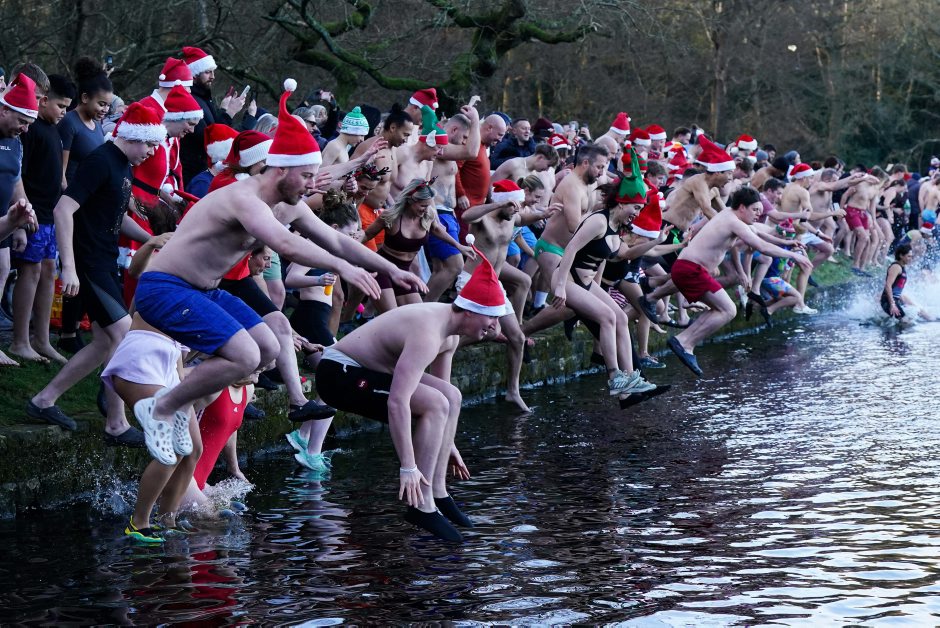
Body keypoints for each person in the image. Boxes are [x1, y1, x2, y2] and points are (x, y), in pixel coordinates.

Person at [131, 79, 427, 437]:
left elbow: (336, 239)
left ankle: (182, 401)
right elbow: (286, 245)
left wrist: (392, 270)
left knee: (270, 346)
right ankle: (161, 408)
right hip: (166, 287)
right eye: (307, 176)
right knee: (245, 355)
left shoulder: (288, 202)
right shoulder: (244, 198)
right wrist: (343, 267)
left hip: (205, 290)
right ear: (282, 170)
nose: (313, 185)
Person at [314, 250, 505, 541]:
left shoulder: (451, 333)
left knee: (451, 396)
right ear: (469, 310)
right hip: (338, 374)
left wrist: (447, 442)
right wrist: (408, 466)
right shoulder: (428, 333)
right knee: (434, 404)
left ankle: (438, 492)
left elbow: (444, 396)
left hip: (369, 371)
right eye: (491, 317)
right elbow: (398, 402)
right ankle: (421, 505)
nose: (495, 327)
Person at [27, 102, 164, 441]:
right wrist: (69, 268)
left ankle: (44, 400)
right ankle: (116, 423)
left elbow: (115, 216)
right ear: (132, 136)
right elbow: (63, 210)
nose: (152, 152)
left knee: (105, 342)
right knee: (123, 334)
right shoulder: (101, 161)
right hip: (88, 263)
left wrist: (151, 239)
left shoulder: (124, 164)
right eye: (149, 144)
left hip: (104, 261)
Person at [664, 187, 813, 377]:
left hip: (689, 267)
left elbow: (757, 232)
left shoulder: (730, 213)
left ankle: (681, 336)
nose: (758, 215)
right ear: (742, 207)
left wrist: (786, 242)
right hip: (691, 269)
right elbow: (761, 246)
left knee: (720, 309)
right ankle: (684, 342)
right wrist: (793, 255)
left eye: (760, 211)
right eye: (755, 210)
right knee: (728, 310)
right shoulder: (733, 222)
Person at [550, 166, 659, 397]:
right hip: (568, 278)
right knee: (608, 317)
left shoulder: (616, 228)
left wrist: (658, 241)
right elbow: (571, 248)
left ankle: (631, 377)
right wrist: (559, 286)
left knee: (621, 317)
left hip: (586, 282)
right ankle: (614, 376)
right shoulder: (599, 221)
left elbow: (625, 254)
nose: (637, 214)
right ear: (622, 202)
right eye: (636, 208)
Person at [460, 180, 559, 411]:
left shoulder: (512, 217)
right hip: (472, 282)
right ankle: (446, 347)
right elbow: (466, 216)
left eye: (517, 206)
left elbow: (524, 218)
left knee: (517, 338)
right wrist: (496, 204)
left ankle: (512, 392)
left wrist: (544, 213)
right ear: (502, 202)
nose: (516, 210)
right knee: (488, 333)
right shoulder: (483, 217)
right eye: (512, 206)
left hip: (494, 285)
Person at [9, 74, 75, 365]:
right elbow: (18, 174)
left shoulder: (54, 129)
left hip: (50, 214)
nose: (64, 112)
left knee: (49, 271)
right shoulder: (30, 129)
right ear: (44, 101)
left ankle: (42, 338)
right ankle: (20, 340)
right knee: (31, 271)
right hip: (34, 214)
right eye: (61, 106)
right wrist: (23, 215)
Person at [364, 177, 473, 312]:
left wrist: (459, 246)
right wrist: (347, 247)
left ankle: (367, 316)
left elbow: (436, 229)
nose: (426, 209)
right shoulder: (391, 216)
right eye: (423, 205)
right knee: (392, 314)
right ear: (411, 200)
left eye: (428, 205)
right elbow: (367, 235)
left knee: (417, 313)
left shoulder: (428, 215)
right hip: (381, 268)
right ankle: (361, 317)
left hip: (404, 271)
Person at [530, 144, 609, 311]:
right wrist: (598, 221)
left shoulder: (589, 183)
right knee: (569, 304)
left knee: (574, 304)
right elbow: (574, 226)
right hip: (552, 248)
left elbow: (589, 211)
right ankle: (528, 325)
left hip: (570, 251)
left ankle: (536, 309)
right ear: (585, 163)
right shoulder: (572, 185)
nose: (602, 172)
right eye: (599, 167)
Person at [179, 46, 246, 184]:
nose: (213, 77)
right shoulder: (190, 100)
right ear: (194, 74)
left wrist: (223, 110)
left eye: (213, 72)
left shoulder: (203, 97)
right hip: (192, 174)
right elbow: (208, 138)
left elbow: (213, 127)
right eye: (208, 72)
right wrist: (229, 113)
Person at [881, 244, 931, 320]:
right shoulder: (896, 267)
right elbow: (888, 285)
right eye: (908, 256)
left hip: (897, 299)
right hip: (888, 301)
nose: (911, 259)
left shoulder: (902, 267)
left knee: (921, 312)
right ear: (901, 256)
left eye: (911, 256)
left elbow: (897, 287)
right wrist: (892, 304)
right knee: (905, 322)